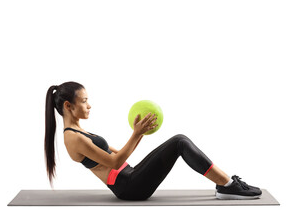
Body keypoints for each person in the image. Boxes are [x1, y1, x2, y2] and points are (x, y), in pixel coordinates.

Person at [44, 81, 262, 200]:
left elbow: (119, 153)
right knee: (179, 142)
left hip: (131, 176)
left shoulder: (81, 133)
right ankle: (228, 186)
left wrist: (141, 131)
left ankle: (227, 185)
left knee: (180, 140)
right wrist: (136, 133)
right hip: (128, 187)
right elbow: (115, 163)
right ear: (68, 106)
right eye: (84, 101)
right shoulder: (72, 139)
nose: (89, 105)